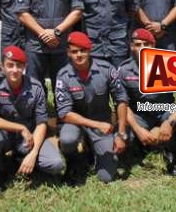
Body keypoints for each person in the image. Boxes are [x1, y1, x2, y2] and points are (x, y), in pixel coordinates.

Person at [0, 45, 64, 194]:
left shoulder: (35, 87)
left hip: (29, 138)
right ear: (2, 66)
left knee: (55, 164)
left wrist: (33, 154)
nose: (15, 70)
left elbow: (41, 123)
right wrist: (20, 128)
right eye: (10, 65)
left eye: (19, 65)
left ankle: (22, 158)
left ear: (24, 67)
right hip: (4, 135)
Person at [117, 28, 176, 176]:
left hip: (164, 112)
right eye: (138, 44)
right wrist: (138, 129)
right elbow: (123, 104)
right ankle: (142, 146)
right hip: (140, 115)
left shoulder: (169, 64)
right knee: (122, 127)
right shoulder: (124, 70)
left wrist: (169, 122)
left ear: (153, 45)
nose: (142, 48)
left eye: (146, 44)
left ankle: (172, 149)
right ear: (131, 47)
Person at [55, 31, 128, 184]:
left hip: (102, 124)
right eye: (74, 51)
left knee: (106, 177)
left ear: (90, 50)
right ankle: (75, 161)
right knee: (67, 139)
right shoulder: (63, 75)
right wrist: (97, 125)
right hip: (76, 124)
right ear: (68, 53)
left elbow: (121, 99)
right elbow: (65, 114)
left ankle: (93, 151)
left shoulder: (106, 69)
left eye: (83, 50)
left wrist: (121, 134)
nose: (79, 55)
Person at [16, 0, 83, 99]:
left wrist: (56, 32)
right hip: (35, 45)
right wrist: (43, 33)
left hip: (61, 43)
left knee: (63, 85)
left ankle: (63, 113)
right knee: (33, 86)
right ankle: (38, 113)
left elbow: (77, 11)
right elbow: (22, 13)